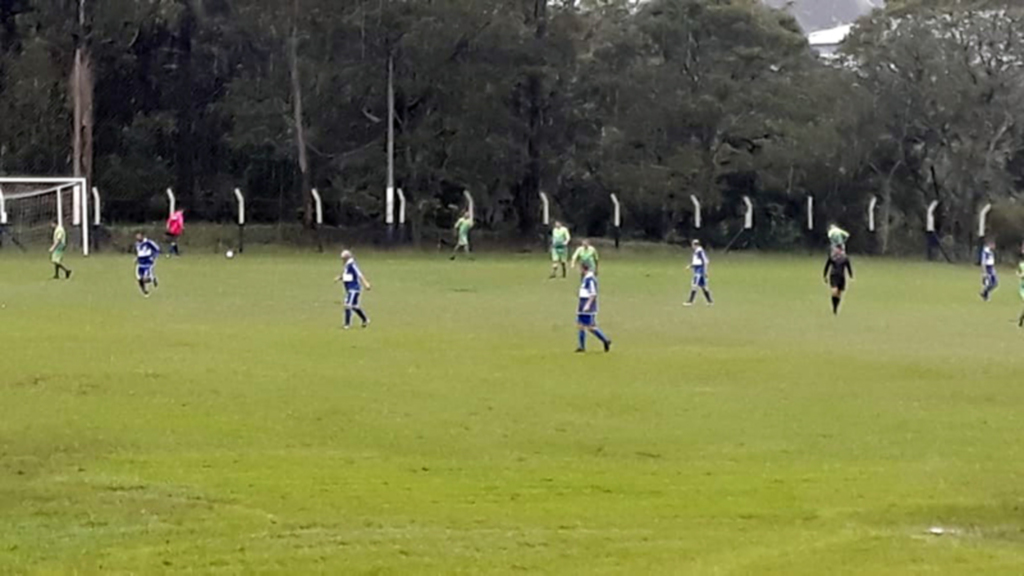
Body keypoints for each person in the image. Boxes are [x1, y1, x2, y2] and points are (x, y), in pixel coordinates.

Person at [576, 263, 612, 353]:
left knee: (591, 327)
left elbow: (593, 293)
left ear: (583, 269)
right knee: (580, 325)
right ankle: (581, 347)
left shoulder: (590, 279)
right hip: (582, 304)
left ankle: (605, 340)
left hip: (587, 306)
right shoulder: (585, 278)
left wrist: (588, 305)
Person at [337, 249, 371, 329]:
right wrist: (340, 278)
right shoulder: (347, 266)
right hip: (350, 289)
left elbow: (359, 274)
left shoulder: (352, 265)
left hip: (354, 289)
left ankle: (347, 324)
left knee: (348, 305)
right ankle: (365, 319)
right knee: (354, 306)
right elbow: (349, 276)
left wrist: (366, 283)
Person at [823, 246, 853, 315]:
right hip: (834, 276)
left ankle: (836, 307)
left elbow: (848, 267)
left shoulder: (845, 258)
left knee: (839, 294)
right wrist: (825, 276)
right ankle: (834, 307)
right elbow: (827, 266)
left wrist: (851, 275)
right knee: (834, 292)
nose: (837, 251)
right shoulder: (832, 257)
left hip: (841, 277)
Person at [684, 239, 713, 306]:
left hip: (699, 271)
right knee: (703, 286)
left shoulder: (700, 251)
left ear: (695, 244)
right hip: (697, 269)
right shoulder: (696, 252)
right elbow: (696, 262)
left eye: (693, 244)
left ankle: (690, 301)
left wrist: (705, 271)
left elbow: (705, 261)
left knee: (694, 285)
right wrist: (690, 266)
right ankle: (710, 301)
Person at [134, 231, 161, 297]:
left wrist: (153, 257)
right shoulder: (137, 244)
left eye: (139, 235)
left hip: (148, 263)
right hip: (140, 263)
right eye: (136, 236)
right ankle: (144, 291)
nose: (137, 237)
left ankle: (153, 279)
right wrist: (137, 258)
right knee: (139, 278)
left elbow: (157, 249)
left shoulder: (148, 242)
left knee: (145, 279)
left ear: (142, 236)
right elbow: (139, 252)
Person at [1017, 258, 1024, 327]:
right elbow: (1018, 274)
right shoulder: (1021, 265)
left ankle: (1021, 319)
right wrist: (1021, 275)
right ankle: (1021, 320)